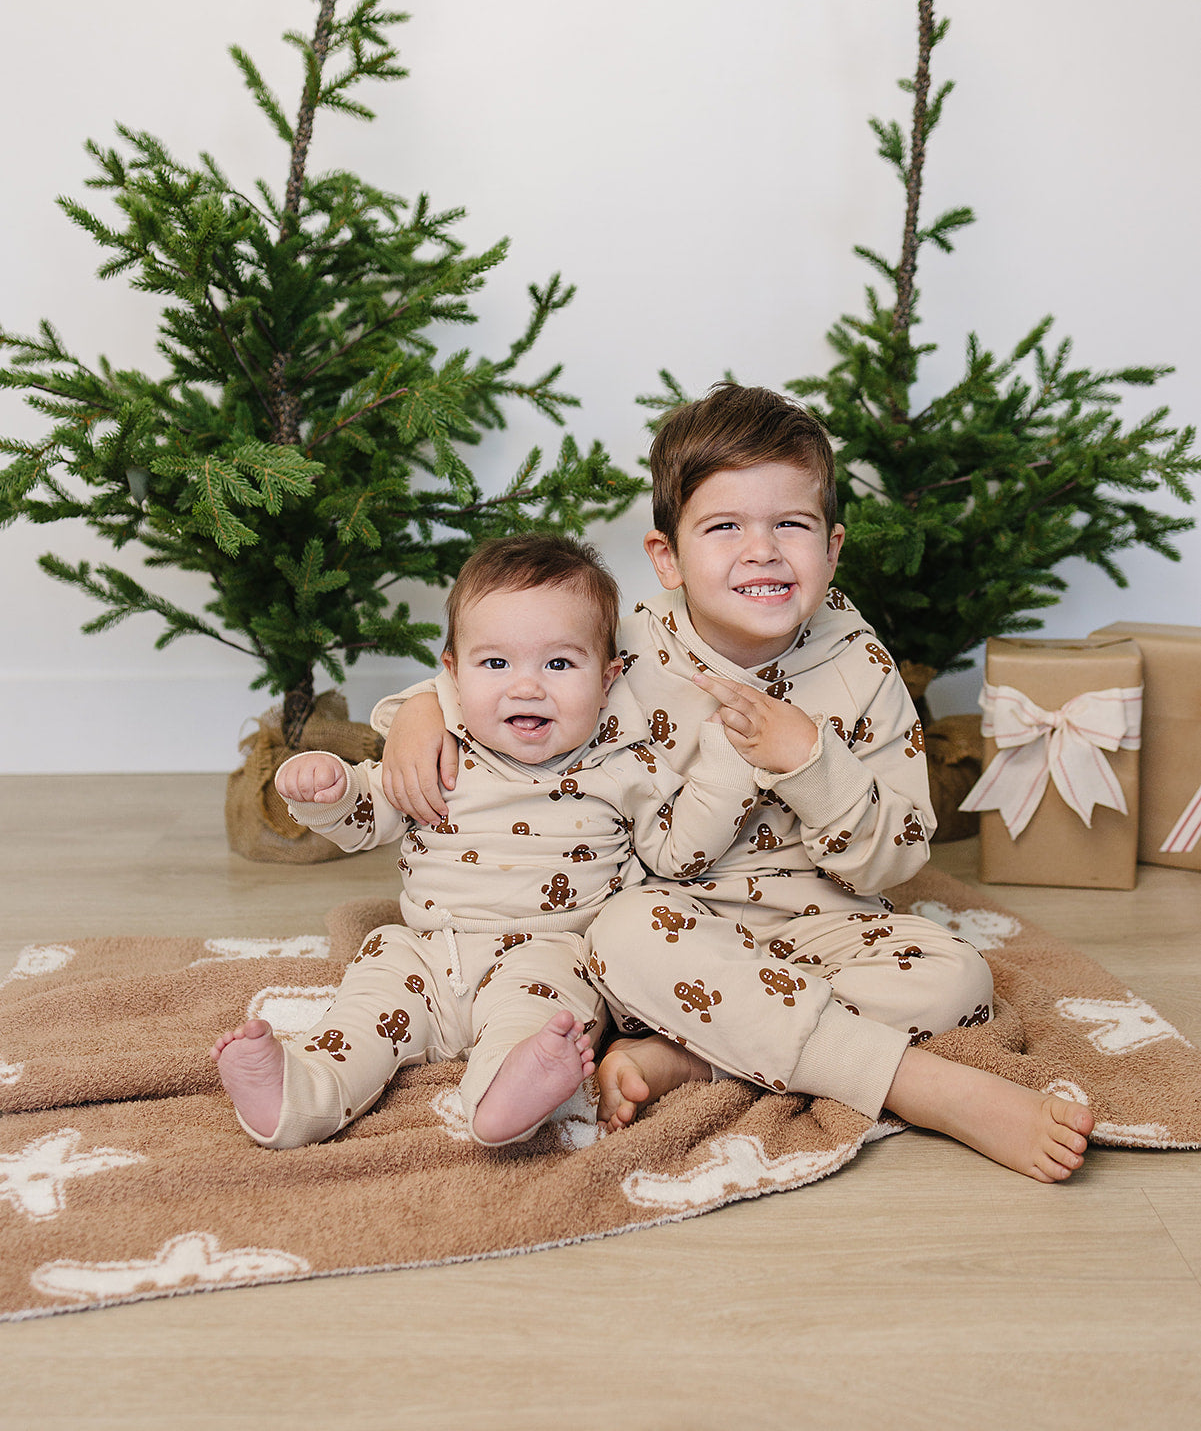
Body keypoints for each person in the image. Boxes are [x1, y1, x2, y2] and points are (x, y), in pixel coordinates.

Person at [377, 385, 1095, 1183]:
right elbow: (511, 669)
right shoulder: (632, 645)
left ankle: (696, 1060)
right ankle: (924, 1089)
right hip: (668, 925)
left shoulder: (859, 668)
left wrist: (811, 764)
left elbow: (895, 858)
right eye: (724, 528)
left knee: (957, 980)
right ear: (668, 557)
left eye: (790, 524)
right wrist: (415, 708)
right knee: (618, 932)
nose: (760, 551)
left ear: (831, 548)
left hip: (823, 923)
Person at [212, 532, 756, 1150]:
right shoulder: (442, 751)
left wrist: (727, 767)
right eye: (495, 664)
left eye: (559, 664)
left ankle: (511, 1091)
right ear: (452, 674)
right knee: (361, 1015)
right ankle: (298, 1091)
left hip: (546, 953)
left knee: (543, 1025)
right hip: (423, 952)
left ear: (608, 677)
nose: (526, 687)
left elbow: (679, 851)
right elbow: (369, 815)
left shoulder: (622, 765)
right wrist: (328, 790)